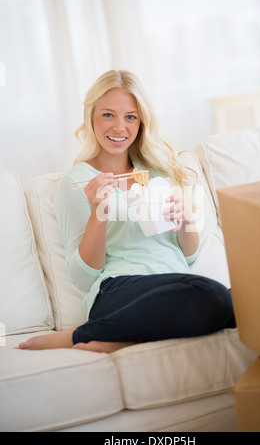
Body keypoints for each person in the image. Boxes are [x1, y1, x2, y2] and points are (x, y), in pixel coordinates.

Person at [19, 70, 235, 353]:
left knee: (248, 300)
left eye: (130, 117)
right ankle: (80, 334)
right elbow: (83, 277)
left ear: (141, 122)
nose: (120, 127)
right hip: (119, 289)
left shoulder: (157, 175)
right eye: (108, 115)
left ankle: (123, 336)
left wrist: (185, 221)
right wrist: (99, 213)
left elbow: (188, 255)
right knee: (213, 296)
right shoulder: (78, 181)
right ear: (92, 117)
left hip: (173, 283)